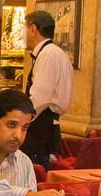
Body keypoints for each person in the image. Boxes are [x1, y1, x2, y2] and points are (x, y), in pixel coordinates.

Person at [23, 9, 73, 168]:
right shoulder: (56, 53)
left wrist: (19, 119)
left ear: (33, 29)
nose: (23, 35)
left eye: (25, 29)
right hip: (48, 124)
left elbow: (39, 99)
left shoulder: (48, 55)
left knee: (35, 173)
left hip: (41, 128)